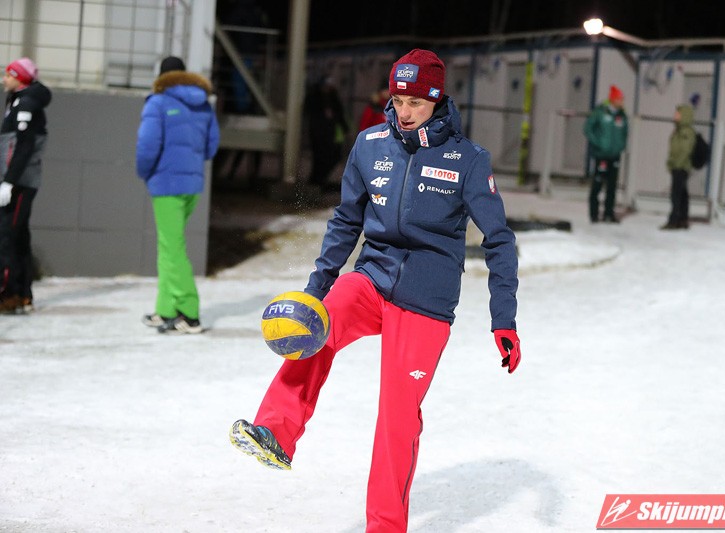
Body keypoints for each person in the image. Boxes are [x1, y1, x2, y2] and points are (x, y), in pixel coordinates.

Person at [230, 48, 521, 533]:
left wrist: (503, 318)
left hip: (426, 300)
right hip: (372, 278)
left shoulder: (468, 160)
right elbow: (346, 221)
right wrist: (315, 292)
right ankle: (276, 431)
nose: (404, 112)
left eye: (416, 103)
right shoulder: (370, 144)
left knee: (397, 417)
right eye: (398, 100)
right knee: (316, 329)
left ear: (437, 100)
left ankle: (385, 525)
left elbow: (499, 241)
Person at [136, 56, 220, 333]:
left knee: (172, 248)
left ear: (161, 77)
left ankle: (189, 312)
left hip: (166, 184)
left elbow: (147, 144)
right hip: (192, 184)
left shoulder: (157, 102)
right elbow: (211, 145)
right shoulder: (203, 103)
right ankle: (166, 309)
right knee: (168, 245)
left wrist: (145, 172)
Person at [0, 57, 51, 314]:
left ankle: (8, 293)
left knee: (7, 236)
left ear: (20, 78)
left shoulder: (27, 104)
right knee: (18, 236)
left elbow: (23, 145)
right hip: (15, 180)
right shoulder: (17, 100)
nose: (3, 79)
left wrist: (9, 182)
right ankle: (21, 293)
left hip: (20, 181)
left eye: (8, 75)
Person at [583, 84, 628, 223]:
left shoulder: (622, 115)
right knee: (597, 185)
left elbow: (625, 133)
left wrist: (621, 146)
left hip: (614, 155)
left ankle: (609, 214)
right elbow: (588, 128)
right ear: (613, 99)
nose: (622, 102)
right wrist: (598, 143)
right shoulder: (600, 112)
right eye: (619, 99)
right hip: (601, 155)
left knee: (612, 186)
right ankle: (594, 214)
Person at [303, 75, 349, 192]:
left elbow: (339, 115)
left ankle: (319, 179)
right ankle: (316, 180)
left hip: (330, 133)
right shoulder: (314, 98)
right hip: (318, 133)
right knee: (319, 157)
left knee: (333, 156)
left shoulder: (333, 98)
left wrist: (345, 129)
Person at [661, 104, 696, 230]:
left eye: (678, 114)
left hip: (681, 166)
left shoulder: (686, 131)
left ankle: (674, 220)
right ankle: (682, 219)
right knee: (682, 193)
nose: (675, 115)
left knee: (676, 195)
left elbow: (685, 150)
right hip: (678, 165)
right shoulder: (678, 130)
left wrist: (677, 164)